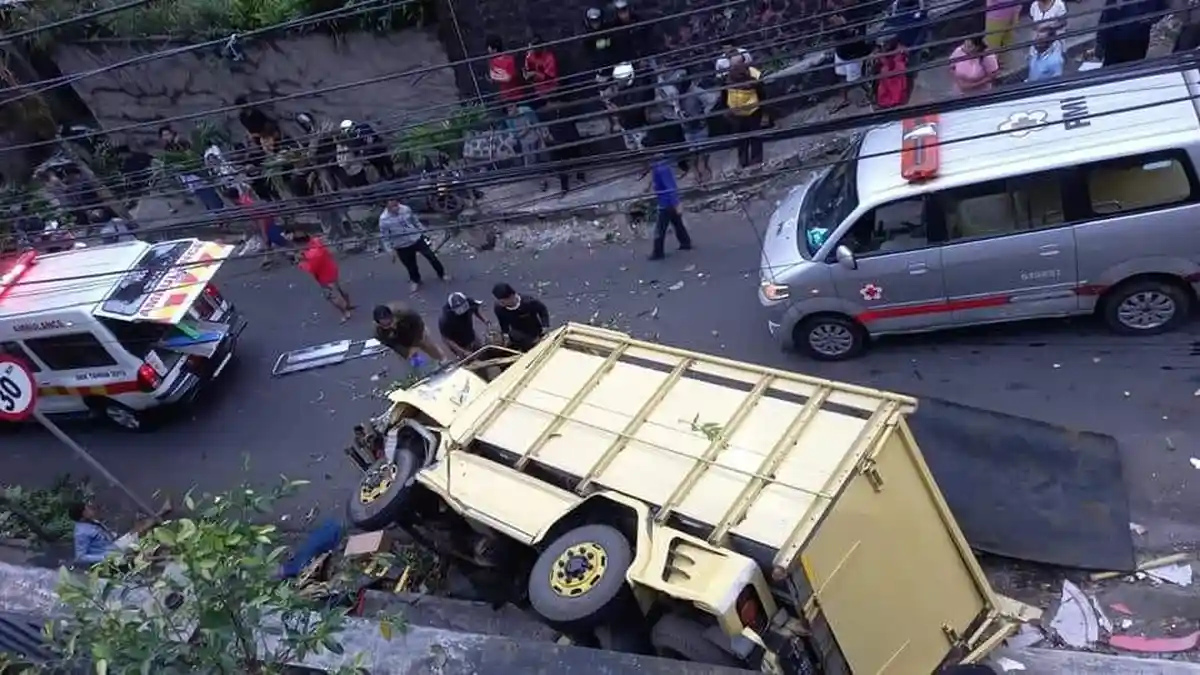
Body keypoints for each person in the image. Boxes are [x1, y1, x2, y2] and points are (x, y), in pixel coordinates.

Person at [70, 499, 171, 568]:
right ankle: (171, 557)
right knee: (140, 558)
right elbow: (80, 557)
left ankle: (163, 512)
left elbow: (101, 534)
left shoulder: (90, 521)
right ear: (83, 514)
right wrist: (105, 558)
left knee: (138, 530)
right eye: (87, 509)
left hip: (114, 546)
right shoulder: (81, 533)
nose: (90, 509)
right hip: (111, 556)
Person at [379, 199, 449, 293]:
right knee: (411, 265)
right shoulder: (384, 220)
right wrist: (390, 251)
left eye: (397, 205)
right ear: (387, 207)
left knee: (431, 256)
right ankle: (416, 280)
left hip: (416, 238)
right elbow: (385, 237)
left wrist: (423, 231)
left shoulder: (405, 209)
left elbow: (415, 221)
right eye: (393, 207)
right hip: (401, 244)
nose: (396, 208)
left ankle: (442, 274)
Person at [298, 235, 354, 323]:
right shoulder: (316, 242)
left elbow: (311, 268)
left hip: (324, 277)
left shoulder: (312, 254)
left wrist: (301, 264)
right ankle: (348, 304)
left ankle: (345, 312)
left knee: (332, 297)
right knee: (340, 288)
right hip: (331, 268)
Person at [648, 156, 693, 261]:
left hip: (666, 202)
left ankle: (658, 252)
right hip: (667, 200)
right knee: (677, 223)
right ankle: (685, 242)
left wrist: (676, 203)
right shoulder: (659, 165)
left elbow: (670, 187)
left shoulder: (661, 168)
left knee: (660, 228)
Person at [724, 63, 767, 168]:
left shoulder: (755, 79)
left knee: (755, 136)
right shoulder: (729, 81)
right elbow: (725, 96)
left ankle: (756, 160)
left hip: (753, 111)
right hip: (737, 113)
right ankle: (743, 161)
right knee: (741, 139)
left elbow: (762, 95)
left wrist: (764, 112)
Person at [373, 303, 446, 363]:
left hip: (415, 330)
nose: (390, 326)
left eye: (390, 322)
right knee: (410, 357)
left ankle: (442, 359)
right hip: (401, 339)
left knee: (427, 345)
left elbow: (418, 323)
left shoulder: (405, 313)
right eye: (385, 325)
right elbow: (393, 344)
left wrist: (416, 342)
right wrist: (407, 352)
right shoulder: (379, 332)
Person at [1098, 0, 1165, 65]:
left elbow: (1161, 10)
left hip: (1138, 42)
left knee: (1131, 70)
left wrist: (1149, 19)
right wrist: (1100, 43)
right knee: (1111, 72)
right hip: (1114, 43)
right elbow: (1105, 18)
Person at [829, 12, 873, 110]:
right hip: (841, 51)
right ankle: (844, 99)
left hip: (853, 53)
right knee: (841, 75)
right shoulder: (837, 10)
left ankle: (870, 94)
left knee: (856, 78)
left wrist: (844, 25)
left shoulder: (855, 13)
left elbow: (858, 35)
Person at [492, 283, 550, 352]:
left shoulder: (529, 302)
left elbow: (542, 310)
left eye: (503, 301)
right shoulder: (499, 308)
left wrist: (545, 326)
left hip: (535, 330)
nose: (501, 303)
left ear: (512, 296)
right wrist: (505, 335)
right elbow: (502, 322)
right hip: (518, 334)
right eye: (499, 301)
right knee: (513, 335)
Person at [679, 76, 712, 184]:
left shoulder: (696, 91)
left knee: (701, 155)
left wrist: (704, 113)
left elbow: (712, 99)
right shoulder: (676, 93)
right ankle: (698, 178)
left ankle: (704, 177)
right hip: (687, 128)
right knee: (692, 154)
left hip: (699, 127)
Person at [439, 292, 492, 357]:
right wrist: (463, 351)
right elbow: (447, 339)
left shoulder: (469, 302)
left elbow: (476, 310)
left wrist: (485, 320)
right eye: (459, 310)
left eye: (464, 307)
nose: (463, 311)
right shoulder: (445, 320)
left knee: (482, 351)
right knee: (469, 361)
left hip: (470, 334)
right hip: (459, 343)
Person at [873, 37, 910, 108]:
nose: (886, 44)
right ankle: (889, 102)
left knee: (897, 88)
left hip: (896, 72)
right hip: (887, 74)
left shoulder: (900, 49)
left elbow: (906, 57)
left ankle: (895, 101)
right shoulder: (881, 51)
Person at [524, 35, 559, 108]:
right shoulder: (530, 56)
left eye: (534, 47)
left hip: (550, 89)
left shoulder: (549, 57)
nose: (532, 49)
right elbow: (527, 72)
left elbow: (549, 77)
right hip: (536, 90)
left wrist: (535, 73)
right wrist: (527, 75)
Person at [487, 35, 523, 107]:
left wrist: (494, 80)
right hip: (506, 93)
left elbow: (508, 77)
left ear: (492, 48)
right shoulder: (494, 61)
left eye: (488, 47)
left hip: (514, 94)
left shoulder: (507, 59)